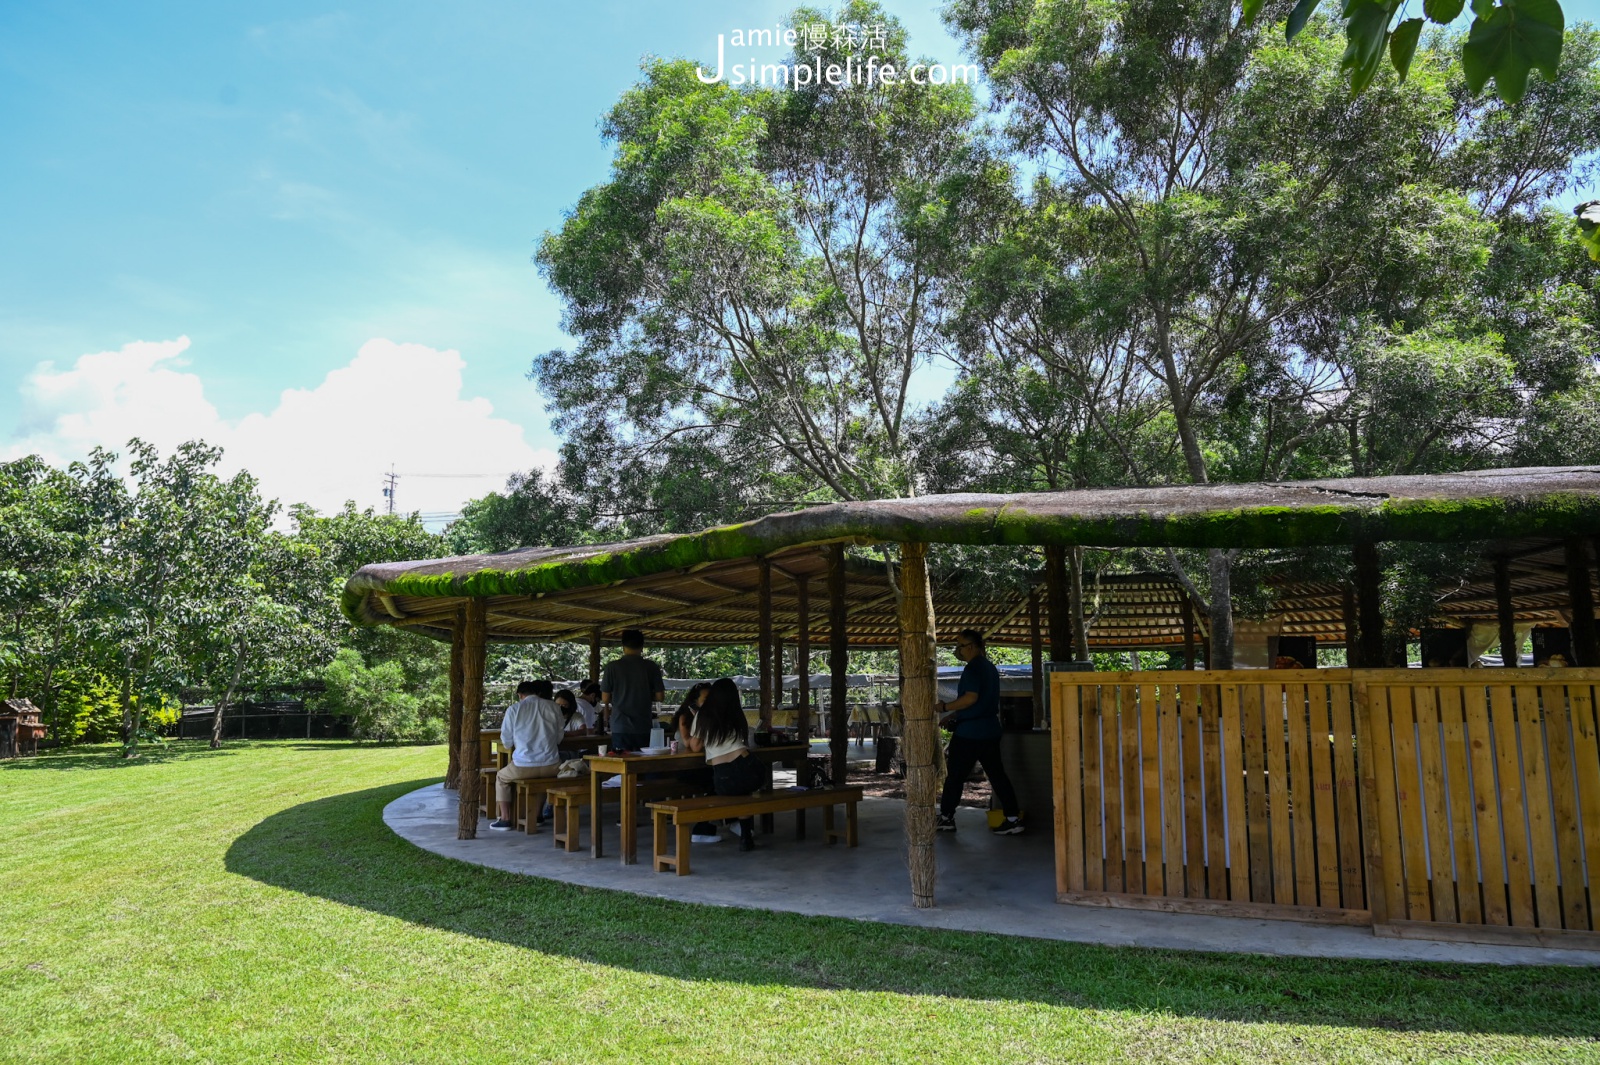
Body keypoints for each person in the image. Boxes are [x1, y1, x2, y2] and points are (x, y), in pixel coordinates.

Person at [935, 629, 1023, 835]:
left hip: (970, 733)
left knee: (955, 776)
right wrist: (955, 715)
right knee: (997, 775)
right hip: (990, 730)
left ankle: (946, 817)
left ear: (973, 646)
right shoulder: (990, 668)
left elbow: (970, 699)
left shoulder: (973, 668)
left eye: (961, 646)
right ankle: (1012, 818)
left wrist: (945, 708)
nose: (958, 651)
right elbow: (980, 702)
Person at [682, 677, 763, 851]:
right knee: (744, 794)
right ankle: (745, 835)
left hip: (723, 775)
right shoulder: (736, 713)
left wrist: (698, 726)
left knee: (733, 791)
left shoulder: (703, 715)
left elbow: (695, 747)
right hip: (750, 767)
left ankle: (715, 828)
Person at [489, 680, 565, 831]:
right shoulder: (554, 707)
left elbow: (507, 742)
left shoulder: (514, 709)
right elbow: (559, 738)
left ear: (520, 694)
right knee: (542, 780)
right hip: (552, 765)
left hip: (524, 765)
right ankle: (537, 816)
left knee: (501, 777)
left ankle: (505, 819)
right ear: (537, 692)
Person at [600, 629, 665, 752]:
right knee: (642, 764)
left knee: (622, 764)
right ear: (642, 646)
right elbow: (660, 697)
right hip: (643, 726)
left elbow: (605, 698)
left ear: (623, 646)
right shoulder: (651, 667)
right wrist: (644, 694)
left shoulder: (612, 667)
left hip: (620, 726)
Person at [672, 682, 716, 843]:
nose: (710, 702)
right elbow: (693, 745)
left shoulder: (712, 716)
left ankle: (729, 820)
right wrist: (699, 718)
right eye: (706, 698)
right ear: (694, 701)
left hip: (704, 764)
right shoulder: (685, 717)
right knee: (718, 781)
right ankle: (702, 827)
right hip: (685, 767)